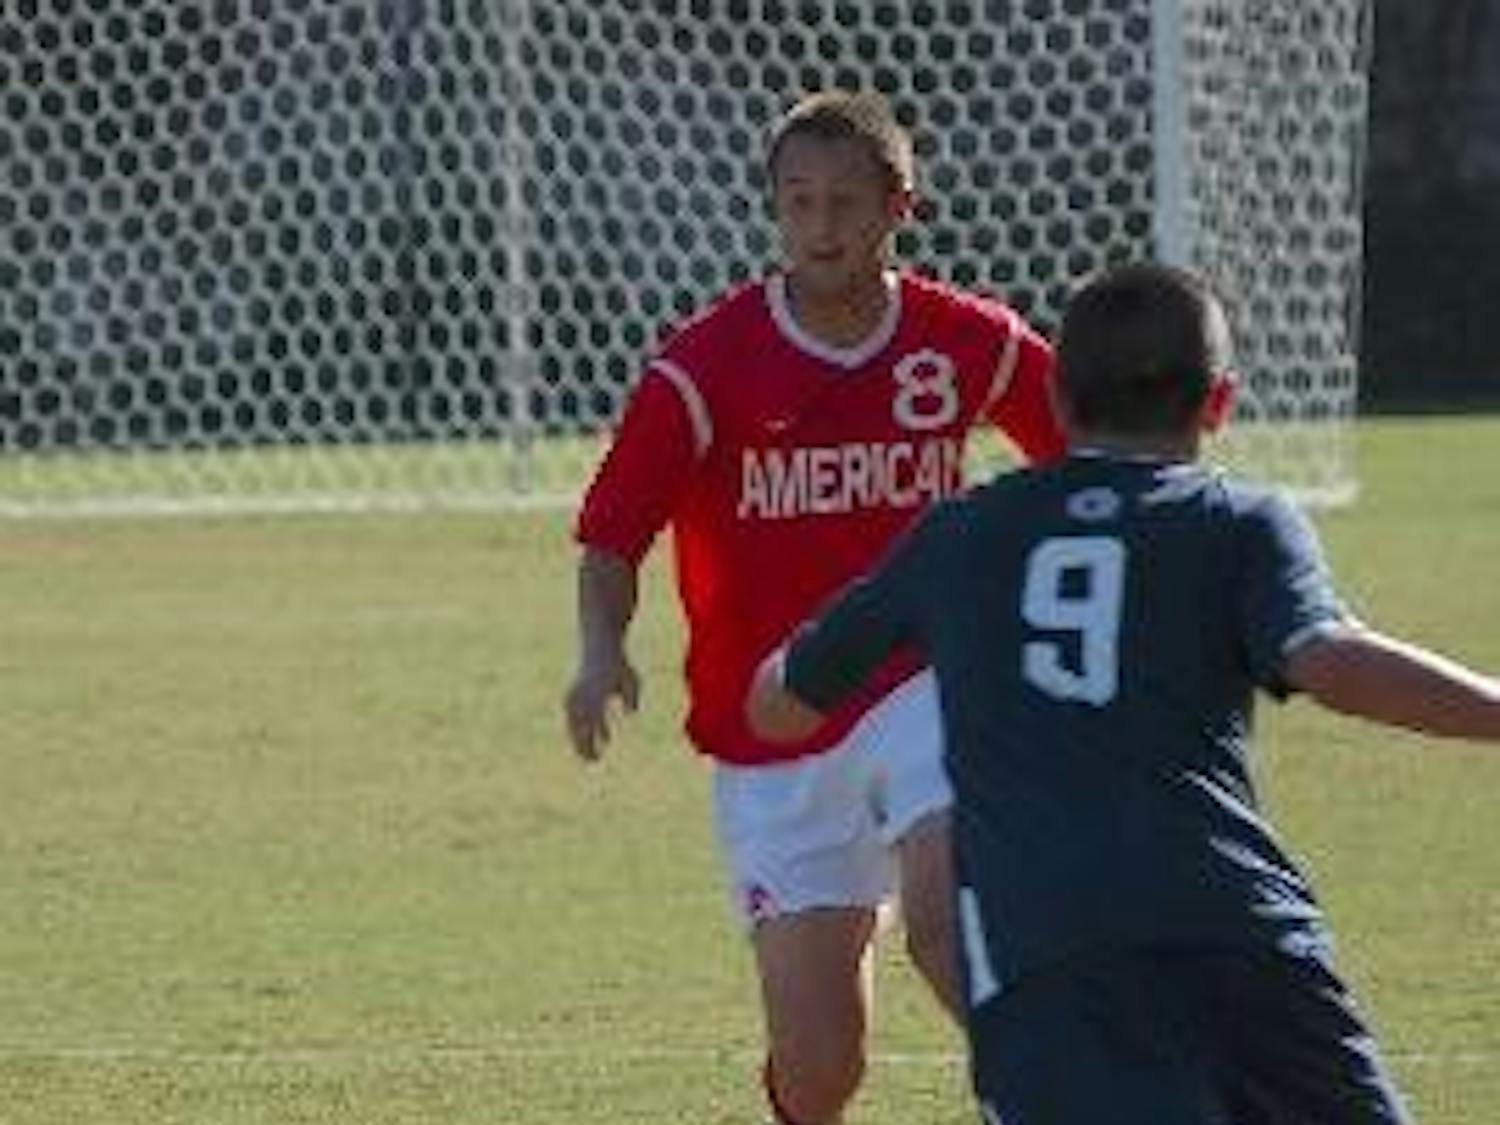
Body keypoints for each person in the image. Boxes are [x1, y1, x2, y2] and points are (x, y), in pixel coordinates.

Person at [748, 262, 1500, 1124]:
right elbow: (1328, 658)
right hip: (1234, 926)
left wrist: (798, 669)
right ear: (1219, 404)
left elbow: (783, 700)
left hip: (1047, 957)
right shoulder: (1239, 521)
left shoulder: (960, 532)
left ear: (1059, 401)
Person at [563, 90, 1064, 1125]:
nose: (821, 225)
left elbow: (1093, 441)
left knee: (943, 919)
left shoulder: (965, 339)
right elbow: (613, 530)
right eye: (799, 202)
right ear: (775, 213)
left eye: (845, 201)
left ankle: (1062, 1096)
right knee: (821, 1069)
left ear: (899, 207)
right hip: (772, 723)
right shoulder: (704, 366)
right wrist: (600, 649)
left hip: (926, 678)